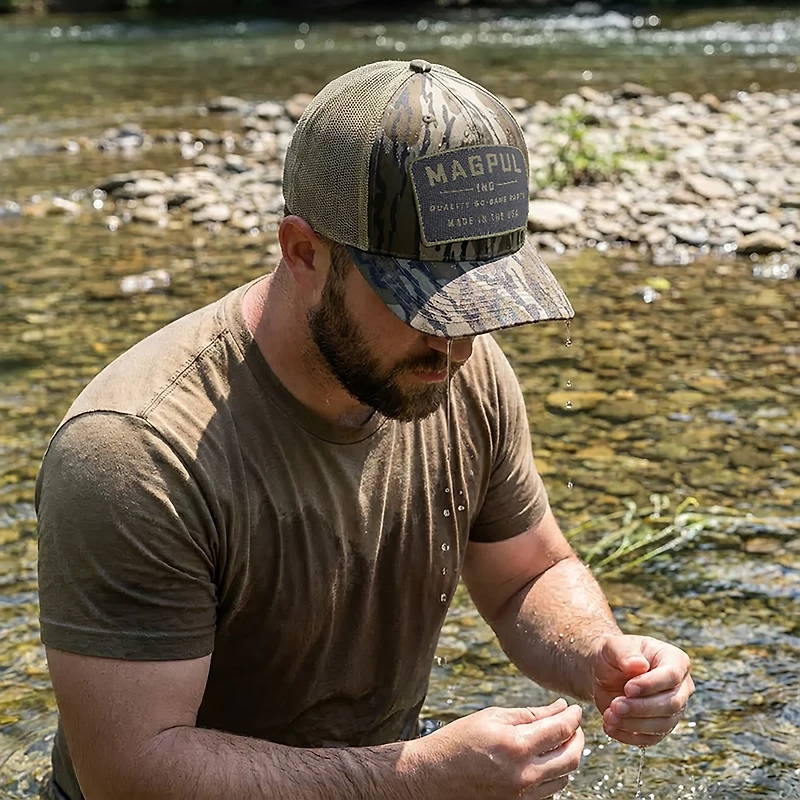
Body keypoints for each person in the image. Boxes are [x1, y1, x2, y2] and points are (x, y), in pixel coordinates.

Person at [36, 59, 694, 800]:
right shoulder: (134, 451)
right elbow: (127, 774)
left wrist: (602, 656)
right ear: (303, 253)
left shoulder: (457, 369)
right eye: (421, 303)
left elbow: (525, 576)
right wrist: (421, 776)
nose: (455, 347)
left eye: (477, 306)